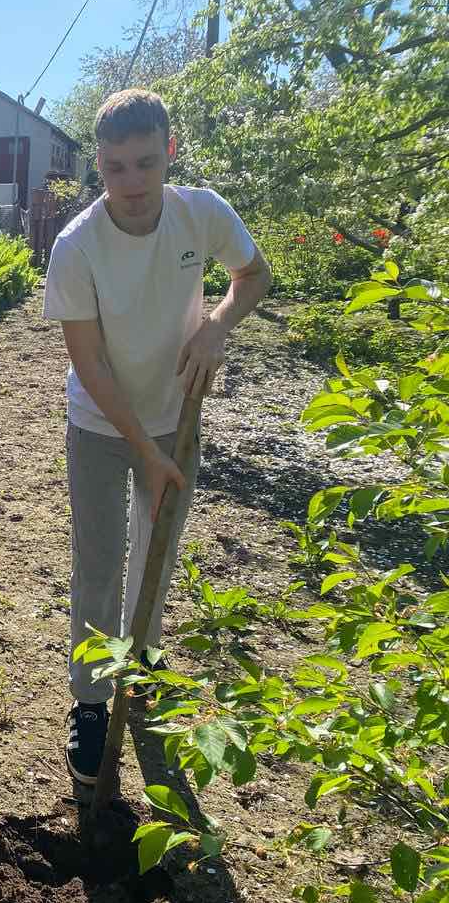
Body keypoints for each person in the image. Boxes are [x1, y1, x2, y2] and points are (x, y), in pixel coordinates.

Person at [41, 90, 272, 786]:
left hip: (181, 414)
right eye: (115, 168)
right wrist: (144, 445)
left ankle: (141, 652)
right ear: (99, 169)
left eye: (145, 163)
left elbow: (254, 276)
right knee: (100, 559)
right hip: (101, 423)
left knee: (159, 546)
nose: (132, 183)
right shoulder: (77, 245)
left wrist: (218, 324)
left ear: (169, 151)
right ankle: (89, 700)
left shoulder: (202, 213)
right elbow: (90, 363)